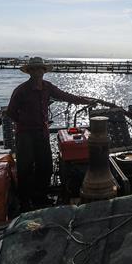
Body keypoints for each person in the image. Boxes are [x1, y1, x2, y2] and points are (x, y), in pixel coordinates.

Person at [6, 57, 112, 208]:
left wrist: (86, 101)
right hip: (25, 134)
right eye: (34, 69)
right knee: (25, 168)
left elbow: (66, 96)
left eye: (40, 69)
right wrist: (25, 123)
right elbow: (10, 113)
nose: (37, 72)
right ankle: (24, 201)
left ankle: (40, 197)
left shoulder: (47, 87)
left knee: (45, 165)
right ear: (29, 72)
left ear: (44, 71)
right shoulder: (21, 90)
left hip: (42, 133)